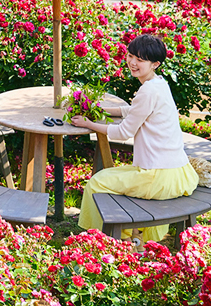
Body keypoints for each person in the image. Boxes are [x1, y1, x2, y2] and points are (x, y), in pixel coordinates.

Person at [72, 34, 199, 245]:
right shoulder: (159, 84)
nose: (132, 62)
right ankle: (135, 237)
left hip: (157, 177)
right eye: (130, 55)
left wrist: (89, 124)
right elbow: (135, 110)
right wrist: (101, 109)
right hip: (179, 173)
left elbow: (122, 132)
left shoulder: (148, 91)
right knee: (114, 176)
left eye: (140, 60)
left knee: (96, 183)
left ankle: (113, 240)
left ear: (155, 63)